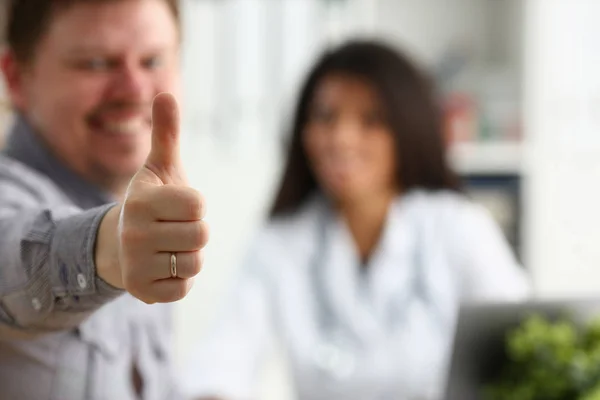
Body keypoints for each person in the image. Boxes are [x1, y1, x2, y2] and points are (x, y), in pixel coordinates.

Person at [182, 40, 530, 400]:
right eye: (325, 117)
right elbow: (225, 354)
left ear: (408, 129)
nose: (341, 139)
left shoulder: (458, 226)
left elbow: (524, 343)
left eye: (371, 120)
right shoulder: (282, 240)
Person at [0, 0, 208, 398]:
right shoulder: (133, 234)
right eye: (95, 63)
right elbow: (14, 257)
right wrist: (107, 247)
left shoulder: (152, 214)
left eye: (152, 60)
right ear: (16, 78)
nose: (133, 90)